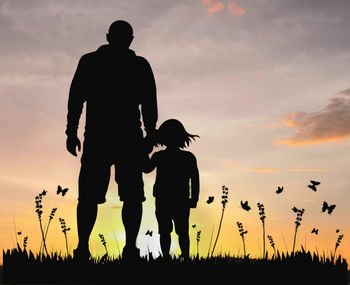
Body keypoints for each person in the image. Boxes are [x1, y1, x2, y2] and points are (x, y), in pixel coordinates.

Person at [65, 20, 157, 260]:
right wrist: (71, 131)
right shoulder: (95, 62)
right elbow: (76, 98)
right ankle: (86, 248)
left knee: (129, 196)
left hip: (115, 137)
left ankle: (123, 249)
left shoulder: (102, 62)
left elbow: (149, 102)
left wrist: (150, 133)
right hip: (108, 137)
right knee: (94, 196)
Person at [143, 119, 200, 261]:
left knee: (172, 231)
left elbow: (146, 168)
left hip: (170, 199)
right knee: (172, 231)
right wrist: (193, 199)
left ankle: (176, 257)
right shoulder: (186, 157)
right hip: (173, 199)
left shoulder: (162, 156)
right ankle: (176, 257)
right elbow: (146, 168)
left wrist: (194, 199)